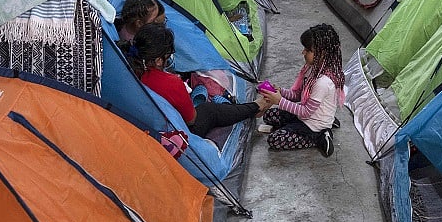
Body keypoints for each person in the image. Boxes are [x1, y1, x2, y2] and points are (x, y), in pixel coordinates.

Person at [130, 23, 271, 138]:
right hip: (175, 133)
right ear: (159, 60)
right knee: (209, 110)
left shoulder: (125, 70)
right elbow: (191, 120)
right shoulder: (170, 83)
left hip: (138, 127)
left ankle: (251, 107)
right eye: (169, 55)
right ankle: (256, 107)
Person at [257, 23, 345, 157]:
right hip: (305, 117)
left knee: (274, 140)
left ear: (322, 54)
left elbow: (306, 112)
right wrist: (280, 92)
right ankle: (328, 119)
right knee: (268, 115)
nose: (303, 52)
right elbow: (298, 95)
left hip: (312, 126)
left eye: (307, 50)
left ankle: (320, 136)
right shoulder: (311, 68)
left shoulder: (323, 82)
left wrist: (279, 101)